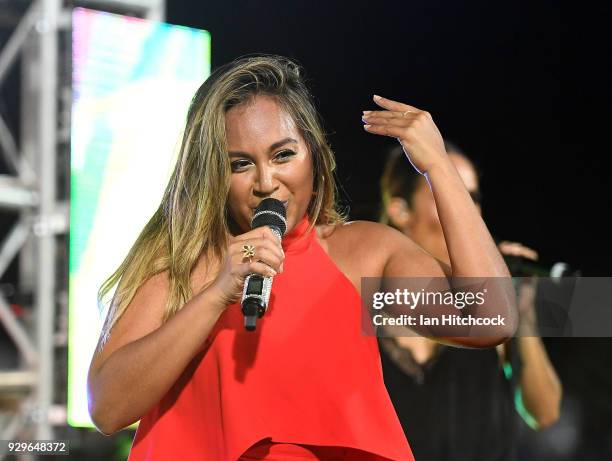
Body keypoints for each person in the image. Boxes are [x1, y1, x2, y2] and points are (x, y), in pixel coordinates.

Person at [87, 55, 517, 461]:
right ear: (214, 174)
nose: (266, 182)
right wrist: (216, 293)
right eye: (240, 164)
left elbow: (489, 318)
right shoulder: (183, 264)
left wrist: (437, 167)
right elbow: (108, 408)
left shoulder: (359, 255)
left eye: (283, 155)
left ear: (314, 153)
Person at [379, 142, 562, 460]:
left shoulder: (488, 307)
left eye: (471, 198)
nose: (464, 211)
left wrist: (521, 312)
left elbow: (544, 412)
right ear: (400, 211)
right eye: (448, 192)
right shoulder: (358, 304)